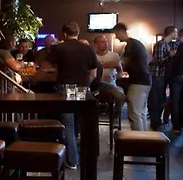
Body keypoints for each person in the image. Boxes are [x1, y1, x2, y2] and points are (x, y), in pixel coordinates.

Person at [47, 21, 98, 169]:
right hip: (82, 88)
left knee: (68, 122)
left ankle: (72, 160)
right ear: (78, 33)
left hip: (66, 87)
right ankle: (87, 158)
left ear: (64, 34)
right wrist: (85, 85)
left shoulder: (59, 48)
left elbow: (46, 66)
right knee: (80, 121)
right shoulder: (88, 49)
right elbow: (93, 74)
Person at [112, 23, 152, 131]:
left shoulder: (131, 45)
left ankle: (137, 139)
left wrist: (109, 64)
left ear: (121, 31)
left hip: (138, 82)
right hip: (145, 81)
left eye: (116, 34)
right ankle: (144, 138)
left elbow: (123, 62)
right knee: (141, 113)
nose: (116, 37)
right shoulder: (136, 43)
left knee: (135, 114)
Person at [148, 26, 177, 130]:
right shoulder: (160, 44)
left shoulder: (166, 45)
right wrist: (171, 55)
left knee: (161, 99)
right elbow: (159, 61)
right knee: (156, 100)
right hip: (157, 75)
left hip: (162, 76)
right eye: (175, 32)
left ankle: (157, 122)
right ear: (172, 33)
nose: (176, 34)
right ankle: (155, 123)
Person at [93, 34, 125, 104]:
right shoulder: (93, 56)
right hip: (96, 86)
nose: (106, 44)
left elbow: (120, 71)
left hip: (110, 85)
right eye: (102, 42)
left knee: (120, 96)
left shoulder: (114, 55)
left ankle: (117, 111)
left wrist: (115, 78)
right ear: (96, 45)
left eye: (106, 42)